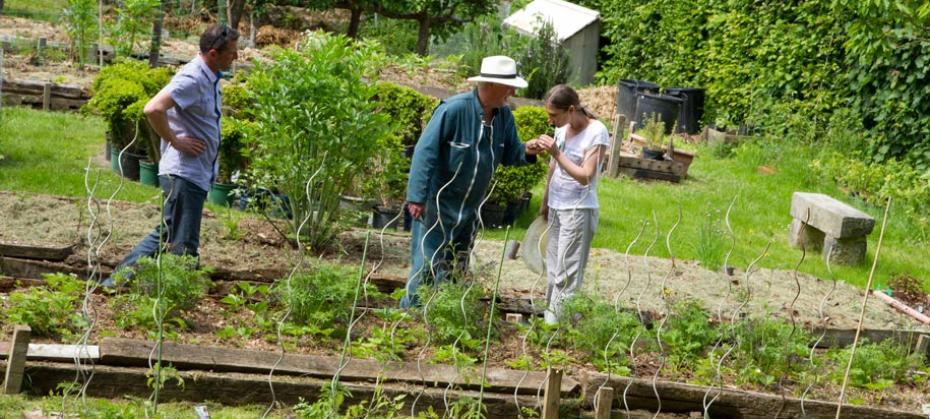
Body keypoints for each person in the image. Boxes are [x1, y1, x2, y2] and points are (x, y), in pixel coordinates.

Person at [401, 55, 546, 308]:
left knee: (456, 267)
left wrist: (528, 150)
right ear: (489, 84)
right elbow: (425, 152)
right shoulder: (454, 110)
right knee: (426, 264)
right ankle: (409, 317)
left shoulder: (504, 117)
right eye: (508, 86)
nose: (512, 92)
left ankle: (442, 314)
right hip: (437, 204)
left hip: (469, 209)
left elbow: (511, 153)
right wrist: (416, 197)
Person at [103, 24, 239, 286]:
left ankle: (116, 284)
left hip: (194, 173)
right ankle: (171, 297)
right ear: (213, 53)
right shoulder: (193, 78)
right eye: (231, 53)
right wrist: (174, 140)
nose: (236, 58)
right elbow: (153, 109)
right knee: (183, 244)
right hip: (184, 173)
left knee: (167, 233)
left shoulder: (209, 77)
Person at [536, 84, 609, 324]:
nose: (550, 120)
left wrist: (557, 153)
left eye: (554, 115)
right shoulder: (562, 129)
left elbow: (586, 175)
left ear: (570, 109)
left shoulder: (596, 131)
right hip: (558, 206)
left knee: (567, 274)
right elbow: (553, 168)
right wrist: (546, 200)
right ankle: (558, 320)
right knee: (554, 270)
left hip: (578, 210)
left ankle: (556, 328)